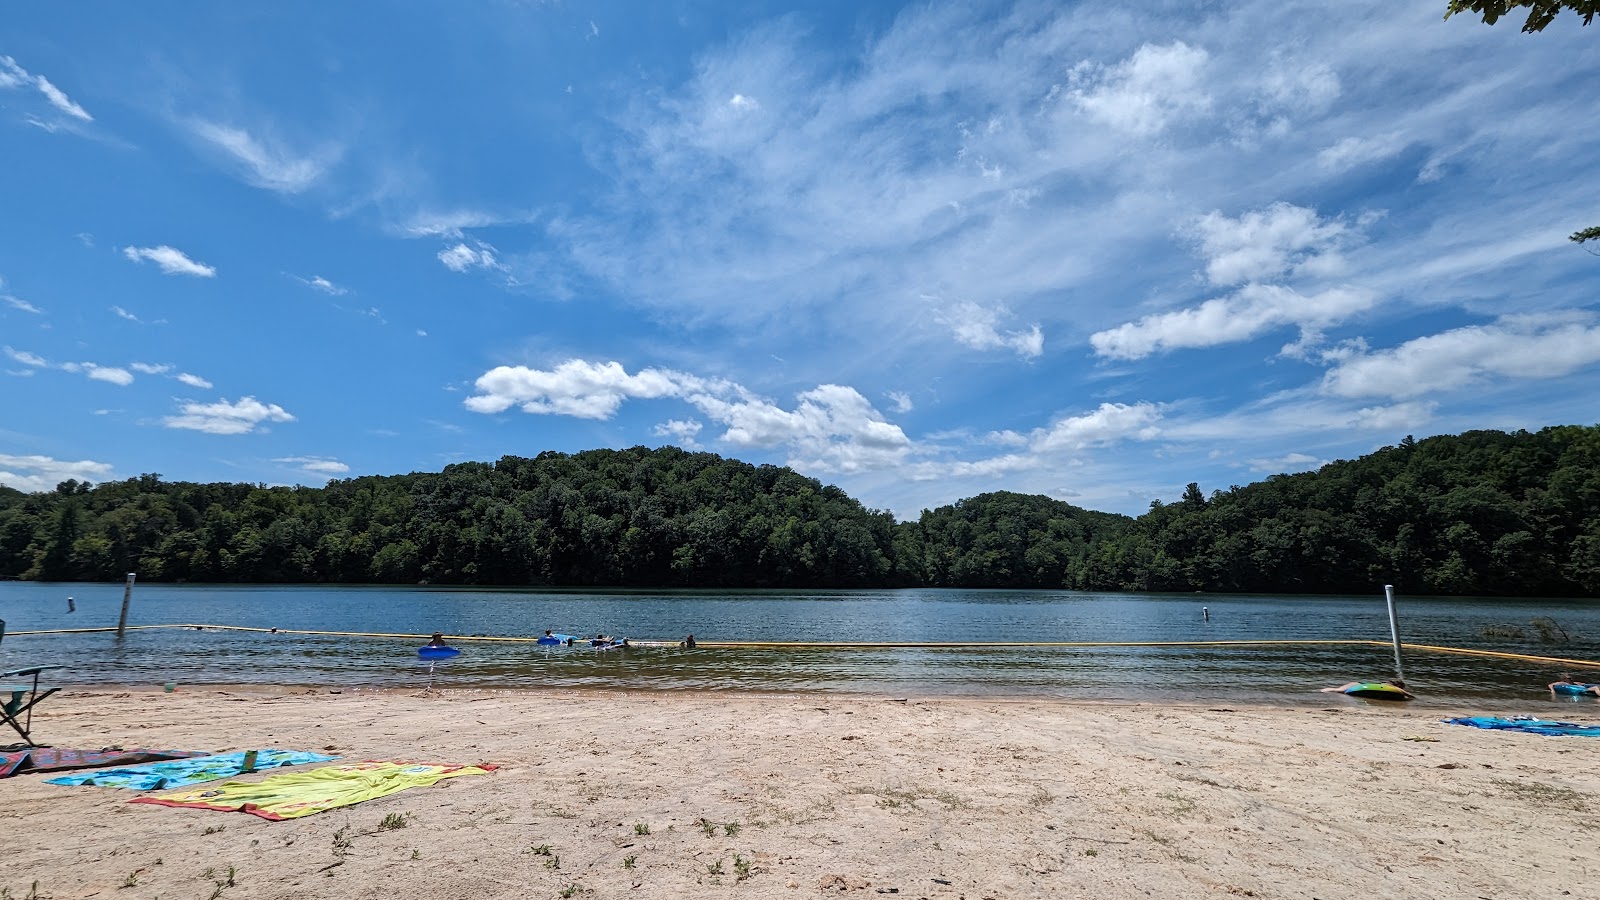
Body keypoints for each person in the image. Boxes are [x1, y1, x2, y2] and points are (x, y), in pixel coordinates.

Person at [1321, 679, 1413, 699]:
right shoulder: (1392, 687)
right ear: (1399, 686)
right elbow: (1406, 694)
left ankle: (1321, 691)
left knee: (1338, 690)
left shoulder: (1384, 684)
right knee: (1339, 691)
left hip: (1359, 684)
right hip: (1361, 685)